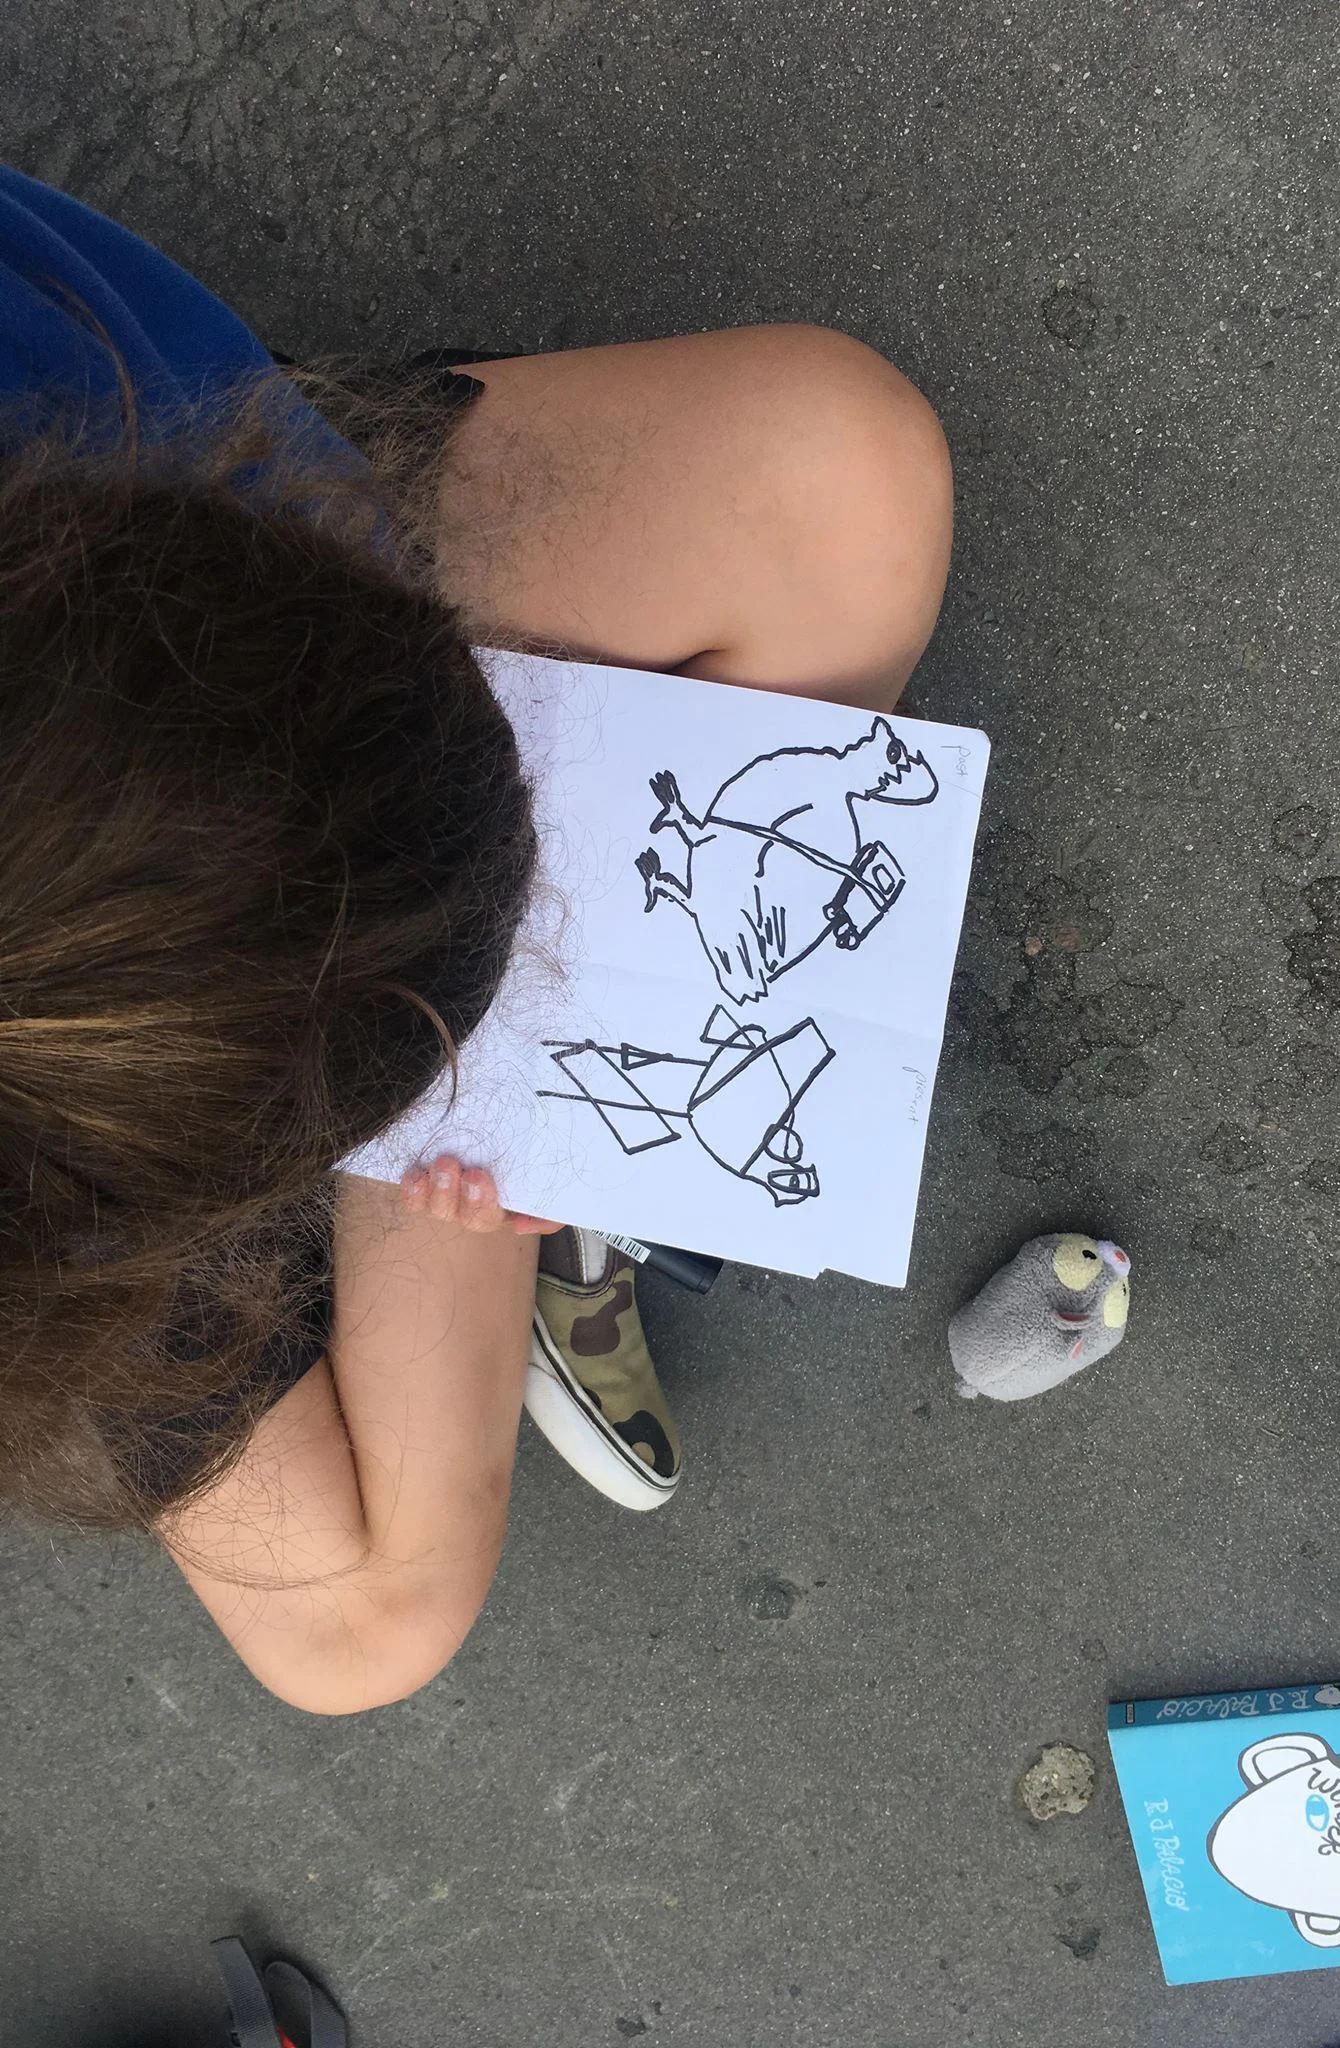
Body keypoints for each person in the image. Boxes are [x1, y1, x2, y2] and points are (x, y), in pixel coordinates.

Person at [0, 163, 952, 1714]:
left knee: (836, 481)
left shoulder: (101, 419)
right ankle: (500, 1180)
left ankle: (492, 1144)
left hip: (154, 581)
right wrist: (472, 1165)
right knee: (363, 1623)